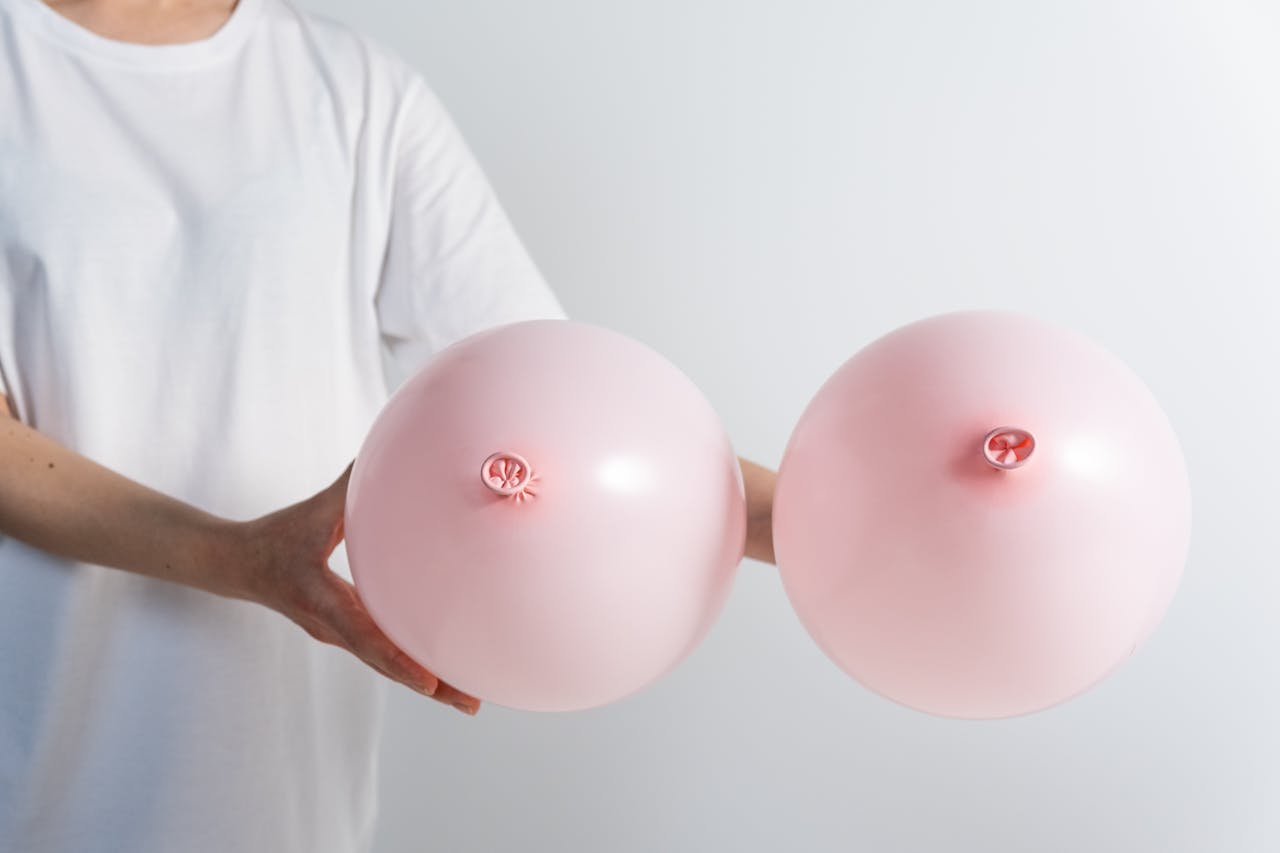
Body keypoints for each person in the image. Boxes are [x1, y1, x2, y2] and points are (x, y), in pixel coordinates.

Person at [0, 0, 778, 850]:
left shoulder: (354, 89)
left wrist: (828, 512)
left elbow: (562, 405)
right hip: (43, 773)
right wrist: (240, 557)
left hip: (290, 795)